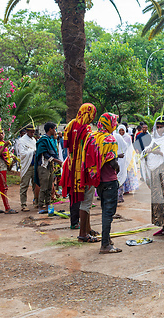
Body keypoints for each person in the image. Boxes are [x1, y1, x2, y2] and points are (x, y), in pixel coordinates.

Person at [83, 113, 122, 254]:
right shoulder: (109, 139)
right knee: (108, 213)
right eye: (114, 122)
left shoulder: (92, 137)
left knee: (104, 208)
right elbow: (112, 162)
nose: (115, 125)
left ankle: (107, 239)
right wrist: (117, 166)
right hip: (110, 180)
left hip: (98, 180)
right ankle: (105, 245)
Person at [60, 103, 98, 237]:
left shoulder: (70, 124)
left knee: (75, 197)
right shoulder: (87, 129)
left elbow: (66, 145)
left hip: (71, 166)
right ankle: (84, 231)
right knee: (86, 200)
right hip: (83, 168)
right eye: (92, 114)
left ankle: (82, 226)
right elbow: (89, 150)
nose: (93, 117)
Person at [34, 122, 62, 210]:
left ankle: (48, 204)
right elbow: (45, 154)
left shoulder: (51, 139)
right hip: (43, 166)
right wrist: (58, 161)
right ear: (50, 129)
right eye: (54, 129)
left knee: (50, 186)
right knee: (44, 187)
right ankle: (40, 205)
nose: (55, 131)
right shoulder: (43, 140)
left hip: (50, 166)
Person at [0, 128, 18, 214]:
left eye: (2, 133)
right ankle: (7, 208)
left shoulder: (2, 143)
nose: (1, 135)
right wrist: (4, 146)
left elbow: (4, 155)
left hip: (3, 168)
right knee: (3, 188)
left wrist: (10, 157)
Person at [17, 124, 37, 211]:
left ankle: (36, 202)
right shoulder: (22, 141)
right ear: (27, 131)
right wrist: (32, 151)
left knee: (35, 185)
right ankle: (23, 204)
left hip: (34, 165)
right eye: (31, 132)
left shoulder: (33, 140)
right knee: (24, 185)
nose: (33, 133)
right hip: (26, 165)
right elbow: (22, 153)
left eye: (33, 132)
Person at [116, 124, 138, 201]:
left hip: (126, 156)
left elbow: (128, 148)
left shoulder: (127, 137)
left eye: (123, 130)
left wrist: (127, 157)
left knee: (125, 173)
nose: (121, 132)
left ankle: (125, 191)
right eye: (120, 130)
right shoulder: (116, 137)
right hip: (118, 158)